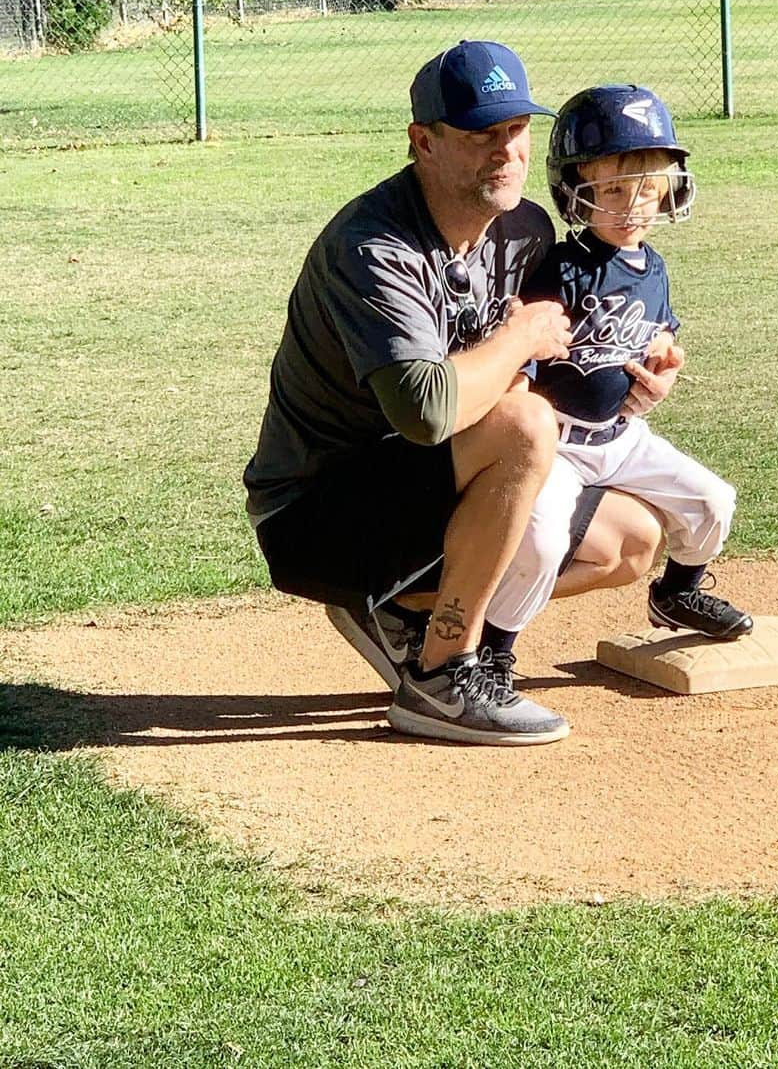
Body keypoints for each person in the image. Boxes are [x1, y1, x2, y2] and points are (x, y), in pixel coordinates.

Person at [243, 42, 670, 747]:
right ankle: (444, 674)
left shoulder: (524, 229)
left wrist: (641, 376)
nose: (505, 151)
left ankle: (396, 610)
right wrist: (522, 339)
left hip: (434, 479)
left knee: (629, 544)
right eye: (480, 135)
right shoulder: (375, 247)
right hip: (319, 510)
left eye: (515, 130)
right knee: (526, 425)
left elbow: (571, 342)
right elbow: (426, 412)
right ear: (424, 143)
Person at [468, 84, 752, 665]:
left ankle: (677, 593)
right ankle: (494, 652)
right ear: (576, 191)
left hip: (622, 437)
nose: (632, 207)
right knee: (543, 544)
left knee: (712, 502)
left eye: (647, 191)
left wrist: (665, 364)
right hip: (559, 445)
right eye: (614, 190)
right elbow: (522, 353)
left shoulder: (655, 268)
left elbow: (661, 336)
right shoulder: (560, 267)